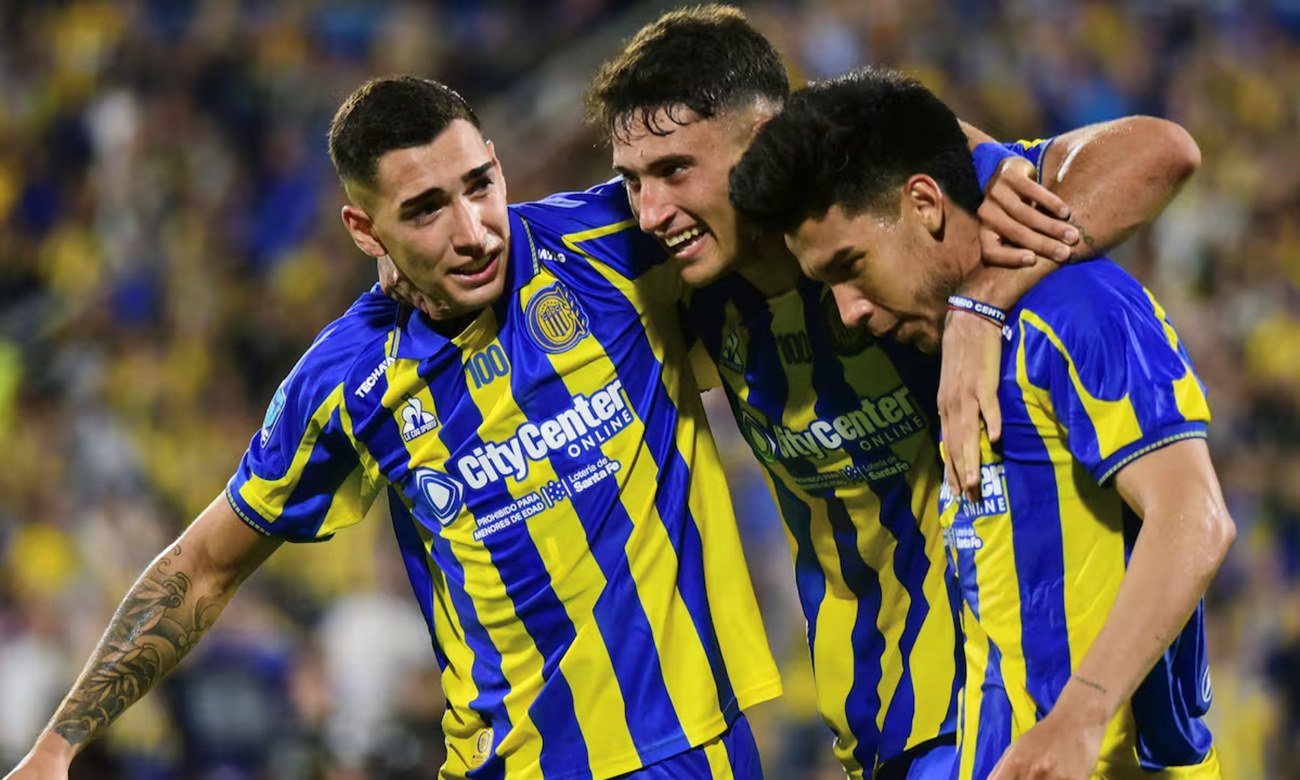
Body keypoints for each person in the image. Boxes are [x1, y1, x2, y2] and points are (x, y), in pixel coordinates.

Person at [6, 76, 781, 780]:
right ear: (363, 228)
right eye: (424, 211)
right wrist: (56, 747)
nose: (474, 230)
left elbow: (768, 187)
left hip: (691, 748)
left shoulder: (614, 239)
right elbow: (205, 565)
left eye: (480, 185)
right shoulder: (344, 380)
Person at [582, 7, 1202, 779]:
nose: (650, 210)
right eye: (632, 182)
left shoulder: (901, 216)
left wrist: (983, 296)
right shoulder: (676, 276)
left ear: (767, 134)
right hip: (870, 721)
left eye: (676, 170)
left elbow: (1159, 151)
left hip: (984, 707)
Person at [729, 66, 1234, 779]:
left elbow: (1194, 517)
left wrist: (1079, 720)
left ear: (926, 205)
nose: (847, 313)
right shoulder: (949, 353)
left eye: (852, 266)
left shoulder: (1076, 307)